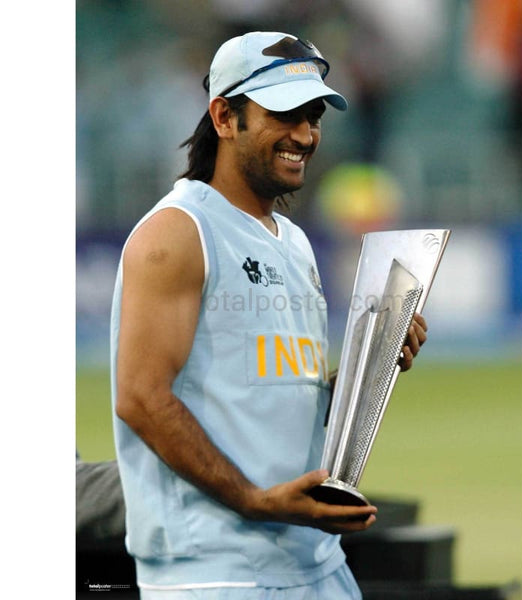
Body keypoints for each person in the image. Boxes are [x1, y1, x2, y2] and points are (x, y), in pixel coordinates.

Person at [110, 31, 428, 599]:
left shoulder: (295, 242)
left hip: (316, 560)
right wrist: (255, 502)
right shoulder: (178, 233)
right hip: (216, 571)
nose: (305, 135)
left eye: (313, 116)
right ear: (224, 117)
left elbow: (282, 401)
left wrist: (367, 371)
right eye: (284, 114)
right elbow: (140, 397)